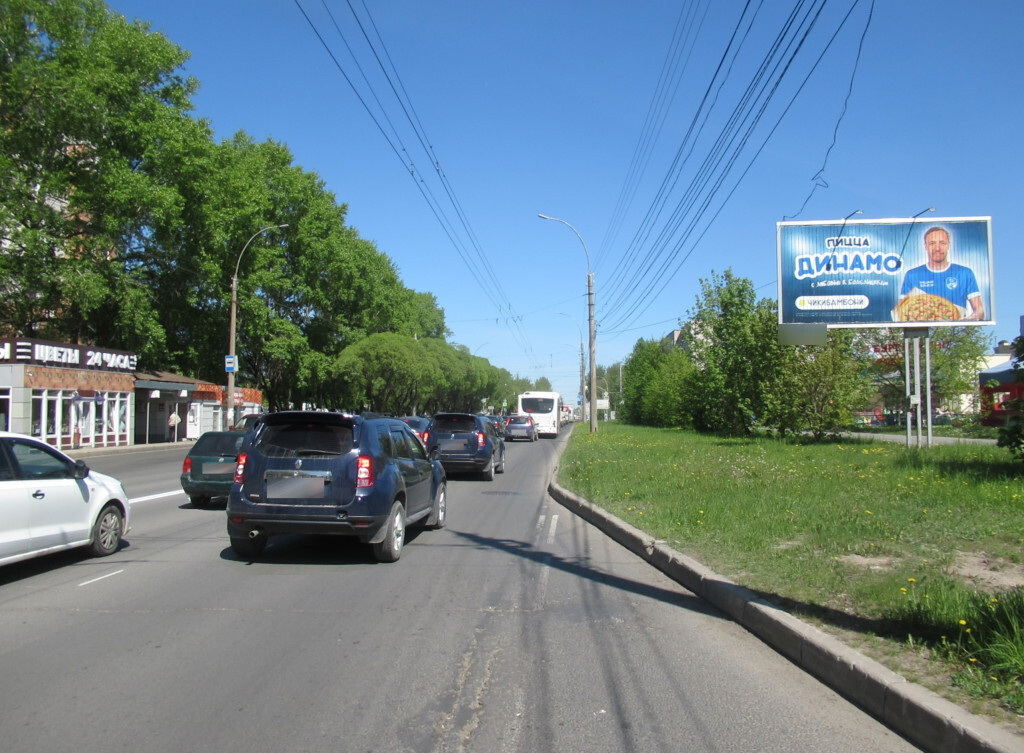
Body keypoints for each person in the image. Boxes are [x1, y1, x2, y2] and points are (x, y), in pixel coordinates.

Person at [898, 226, 985, 321]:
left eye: (942, 243)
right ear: (926, 246)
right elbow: (901, 312)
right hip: (921, 333)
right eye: (932, 243)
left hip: (955, 332)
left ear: (949, 245)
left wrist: (966, 320)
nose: (937, 248)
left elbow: (980, 311)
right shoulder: (912, 275)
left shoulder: (964, 273)